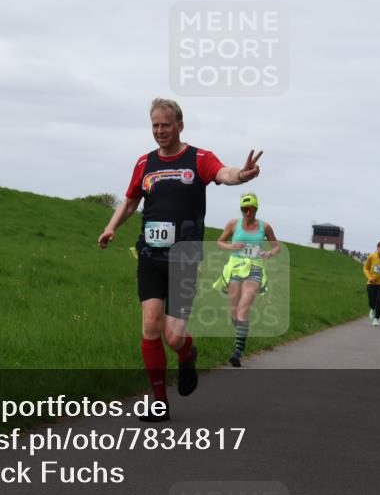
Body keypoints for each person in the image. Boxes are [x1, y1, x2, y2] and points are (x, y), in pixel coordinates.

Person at [98, 98, 262, 422]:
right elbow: (131, 200)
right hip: (149, 255)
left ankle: (187, 354)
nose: (160, 131)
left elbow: (224, 174)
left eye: (166, 125)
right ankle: (160, 402)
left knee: (173, 336)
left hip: (184, 259)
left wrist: (242, 175)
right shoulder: (144, 163)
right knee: (150, 324)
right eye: (155, 125)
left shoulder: (198, 158)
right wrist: (111, 227)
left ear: (179, 126)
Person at [216, 193, 280, 367]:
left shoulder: (265, 227)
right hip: (235, 267)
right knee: (234, 312)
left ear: (256, 209)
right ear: (241, 209)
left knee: (244, 307)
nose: (248, 212)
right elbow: (219, 242)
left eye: (251, 209)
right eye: (245, 209)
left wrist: (268, 253)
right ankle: (241, 333)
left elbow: (277, 247)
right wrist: (232, 246)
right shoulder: (233, 224)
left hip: (255, 268)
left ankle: (237, 352)